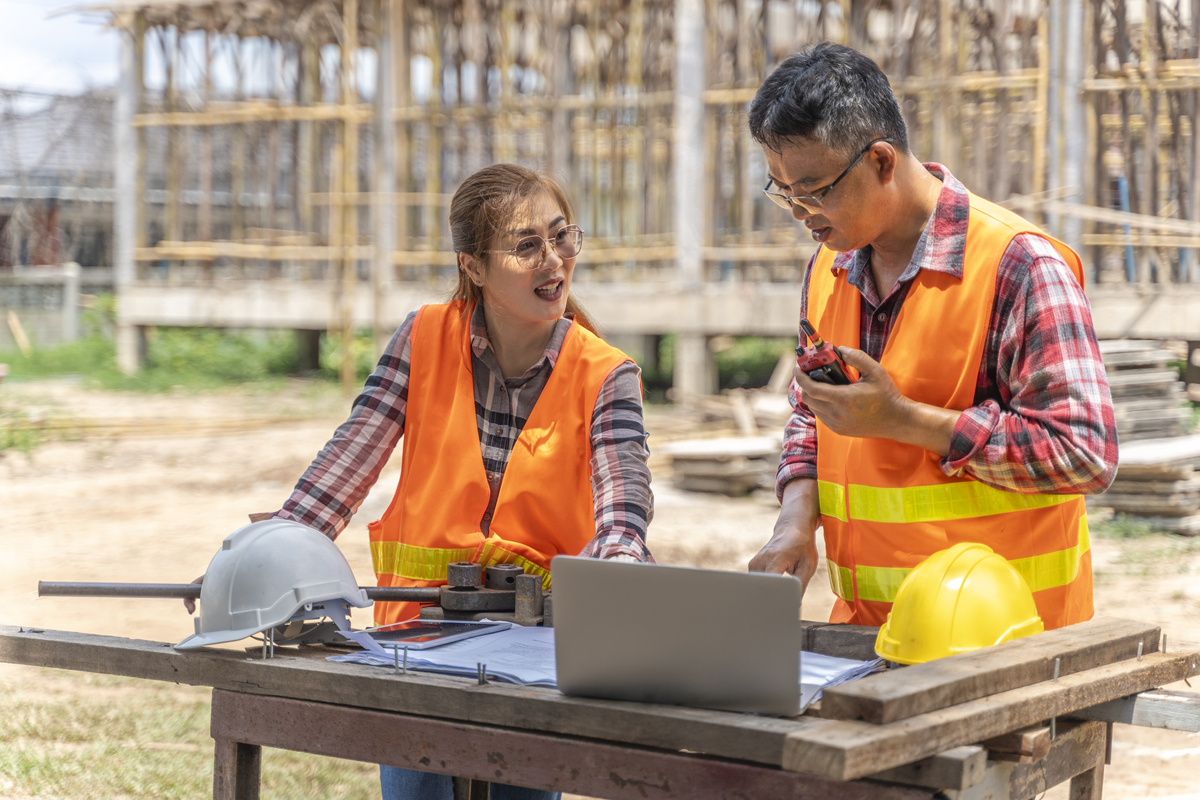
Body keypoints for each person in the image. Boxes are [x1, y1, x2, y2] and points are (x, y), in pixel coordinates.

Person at [191, 163, 655, 800]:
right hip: (414, 647)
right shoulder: (423, 337)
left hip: (537, 654)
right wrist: (258, 561)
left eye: (562, 237)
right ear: (472, 266)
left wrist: (623, 565)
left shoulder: (607, 373)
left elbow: (622, 505)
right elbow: (346, 465)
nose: (554, 261)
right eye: (526, 246)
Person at [745, 43, 1117, 630]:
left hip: (1008, 643)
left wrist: (903, 421)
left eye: (814, 191)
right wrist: (794, 523)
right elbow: (811, 415)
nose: (799, 212)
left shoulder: (1018, 266)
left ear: (882, 162)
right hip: (874, 634)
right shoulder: (827, 267)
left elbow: (1082, 454)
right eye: (782, 191)